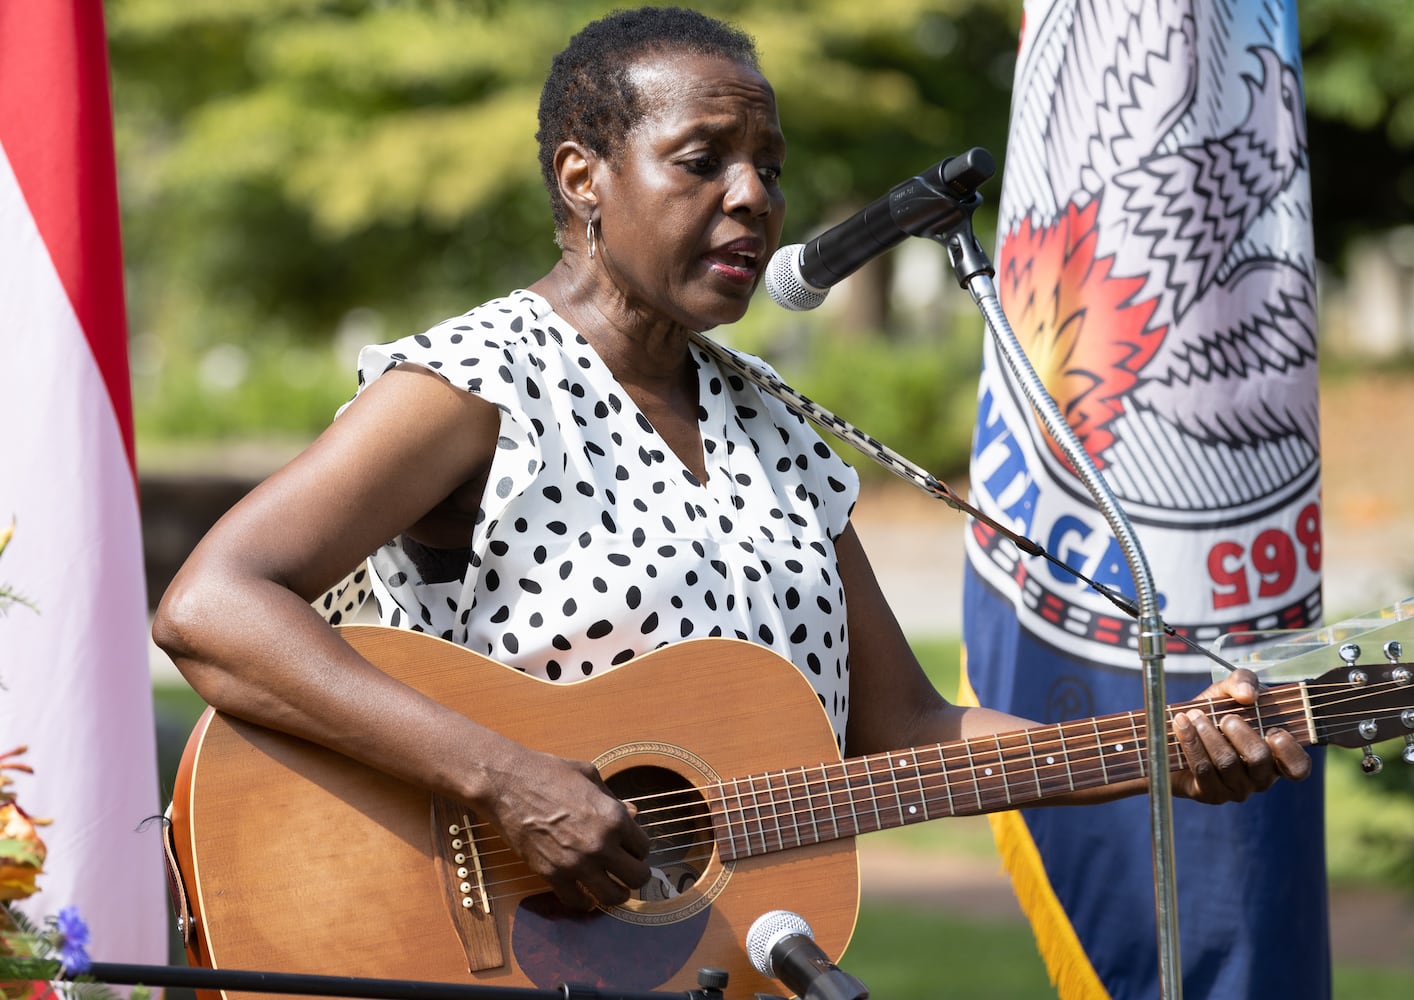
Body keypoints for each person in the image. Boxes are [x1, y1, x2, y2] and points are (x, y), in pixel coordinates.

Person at [153, 4, 1310, 922]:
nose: (752, 195)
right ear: (581, 177)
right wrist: (505, 777)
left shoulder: (782, 436)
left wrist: (1155, 749)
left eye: (767, 164)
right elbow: (213, 604)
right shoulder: (476, 384)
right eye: (701, 160)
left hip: (713, 951)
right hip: (484, 934)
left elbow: (906, 731)